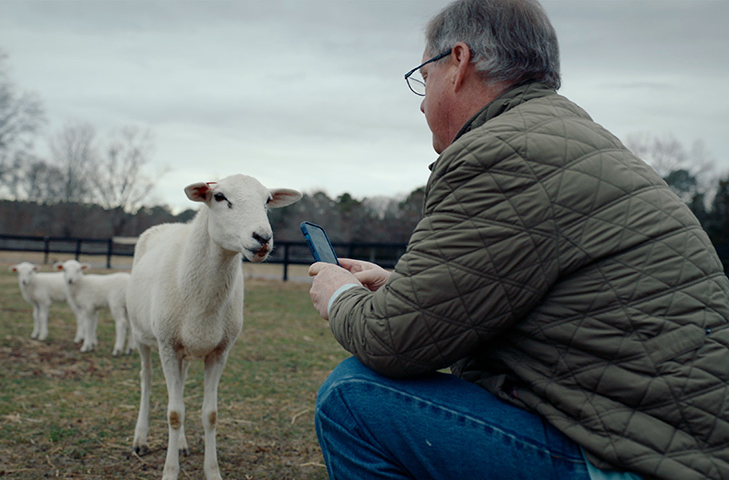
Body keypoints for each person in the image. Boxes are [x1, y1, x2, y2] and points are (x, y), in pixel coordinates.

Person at [307, 0, 729, 479]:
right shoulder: (569, 140)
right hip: (673, 442)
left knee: (354, 398)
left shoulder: (503, 155)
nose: (422, 102)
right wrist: (399, 288)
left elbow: (392, 341)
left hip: (640, 461)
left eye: (424, 77)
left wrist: (340, 296)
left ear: (459, 62)